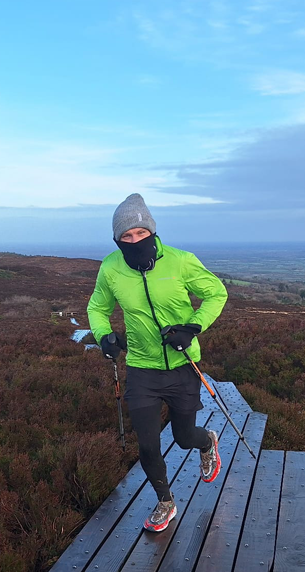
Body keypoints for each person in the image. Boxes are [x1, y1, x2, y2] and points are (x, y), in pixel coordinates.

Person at [88, 193, 229, 532]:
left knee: (183, 437)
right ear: (117, 240)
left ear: (151, 231)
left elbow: (216, 293)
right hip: (141, 369)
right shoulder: (111, 268)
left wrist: (191, 328)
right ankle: (165, 502)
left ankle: (207, 441)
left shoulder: (180, 261)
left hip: (182, 366)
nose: (134, 240)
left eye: (140, 232)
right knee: (148, 444)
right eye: (126, 236)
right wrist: (104, 336)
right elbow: (97, 308)